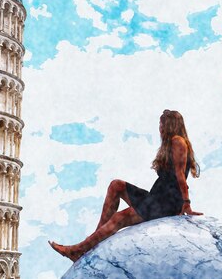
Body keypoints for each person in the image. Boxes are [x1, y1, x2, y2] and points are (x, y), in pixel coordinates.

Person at [49, 109, 203, 262]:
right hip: (155, 197)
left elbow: (180, 176)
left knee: (118, 218)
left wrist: (186, 204)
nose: (160, 128)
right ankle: (92, 241)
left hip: (165, 203)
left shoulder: (178, 141)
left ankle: (78, 251)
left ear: (171, 125)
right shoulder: (170, 144)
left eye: (162, 124)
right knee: (116, 185)